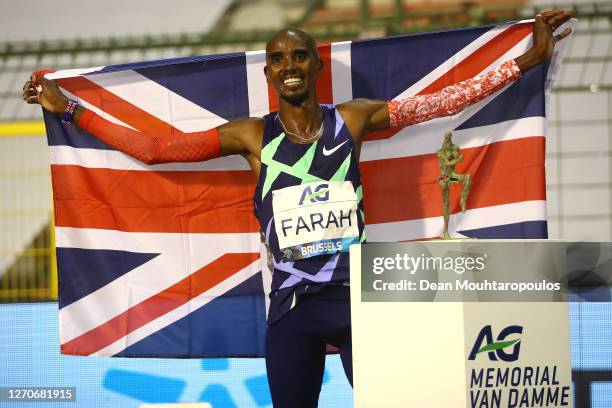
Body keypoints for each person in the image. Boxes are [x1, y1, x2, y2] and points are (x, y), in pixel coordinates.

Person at [22, 10, 573, 408]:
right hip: (292, 311)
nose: (289, 65)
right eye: (278, 59)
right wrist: (69, 108)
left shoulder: (351, 121)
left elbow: (445, 100)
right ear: (267, 74)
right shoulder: (251, 137)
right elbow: (156, 149)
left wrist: (527, 60)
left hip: (361, 301)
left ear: (315, 66)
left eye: (299, 56)